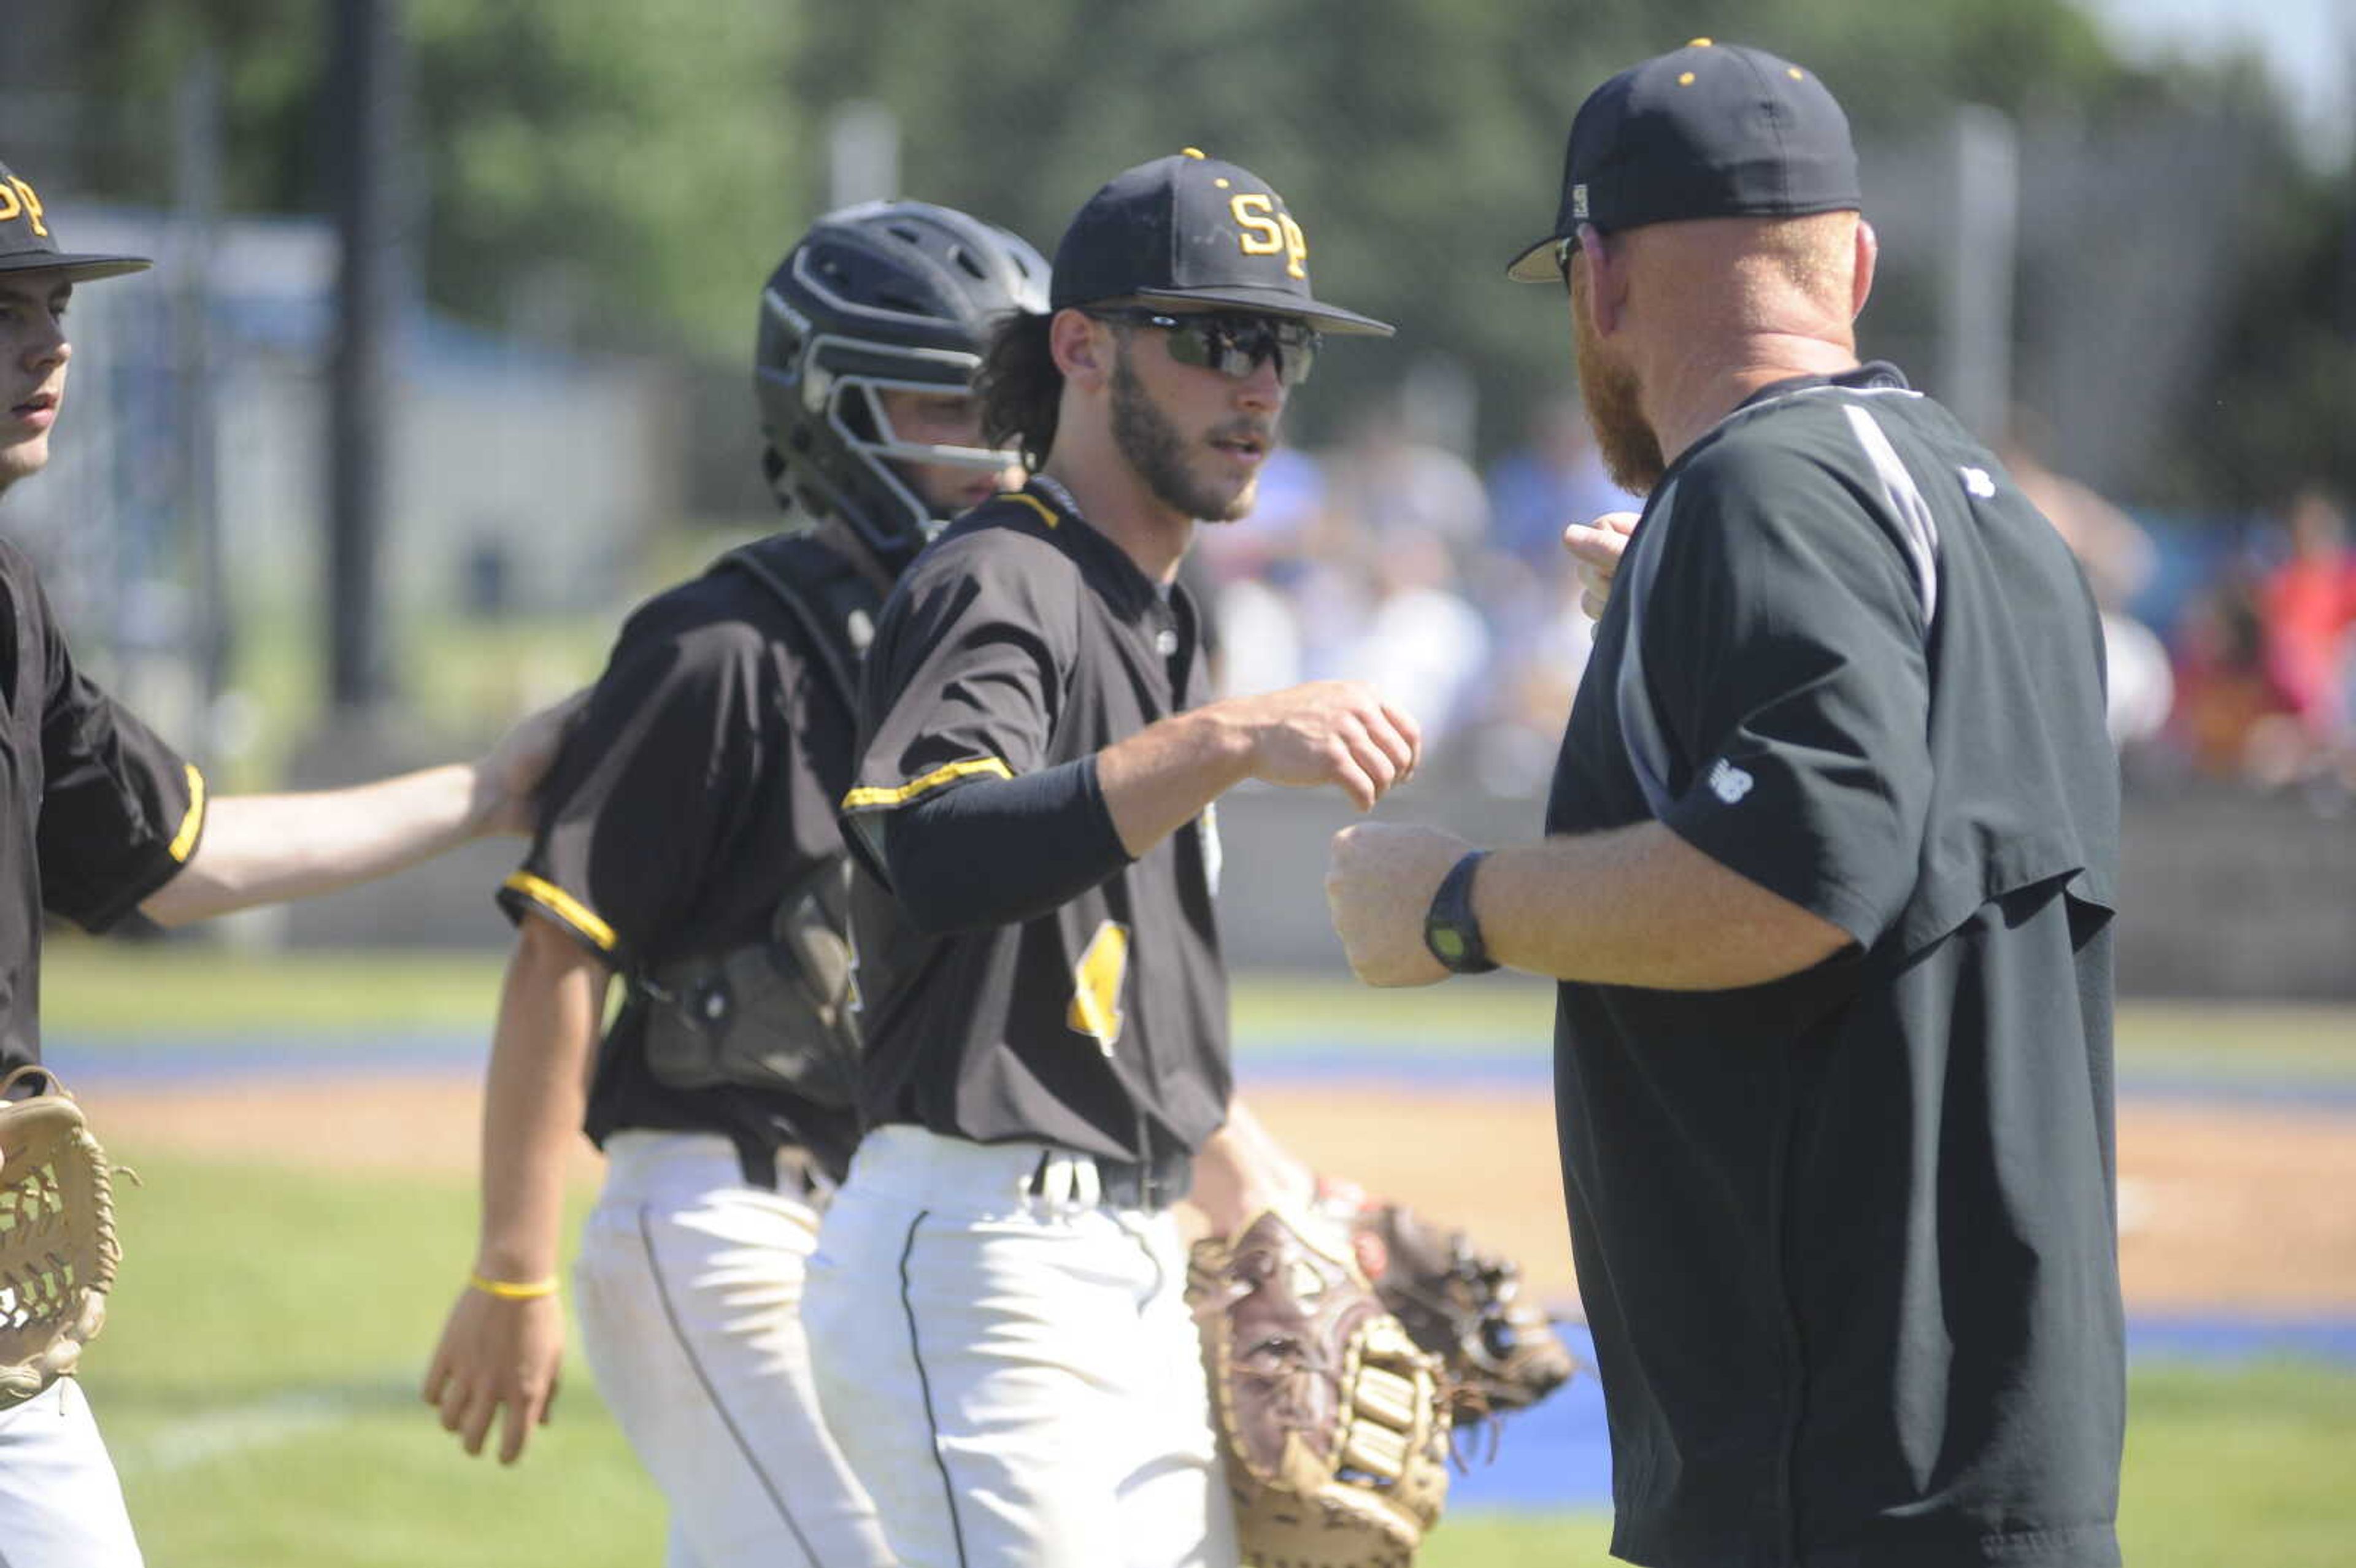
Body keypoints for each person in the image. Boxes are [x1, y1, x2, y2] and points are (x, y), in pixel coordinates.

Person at [1326, 42, 2124, 1568]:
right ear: (1857, 265)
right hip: (1997, 1435)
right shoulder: (1990, 507)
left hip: (1821, 1459)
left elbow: (1800, 869)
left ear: (1604, 281)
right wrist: (1681, 622)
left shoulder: (1756, 493)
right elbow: (1915, 829)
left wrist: (1454, 902)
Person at [800, 149, 1413, 1568]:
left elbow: (1118, 993)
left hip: (1130, 1259)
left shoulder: (1157, 612)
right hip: (981, 1262)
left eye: (1283, 347)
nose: (1257, 384)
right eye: (1212, 339)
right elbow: (931, 849)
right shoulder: (993, 576)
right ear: (1082, 348)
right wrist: (1226, 740)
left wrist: (1272, 1195)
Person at [418, 201, 1049, 1568]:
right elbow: (559, 956)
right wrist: (512, 1265)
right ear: (828, 403)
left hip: (878, 1219)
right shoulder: (717, 649)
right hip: (713, 1214)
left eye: (1004, 403)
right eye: (942, 401)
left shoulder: (985, 651)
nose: (992, 445)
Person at [0, 155, 571, 1568]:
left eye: (54, 300)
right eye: (2, 308)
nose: (48, 339)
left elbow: (175, 854)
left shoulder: (9, 604)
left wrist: (485, 788)